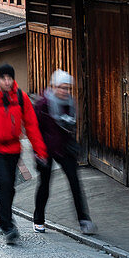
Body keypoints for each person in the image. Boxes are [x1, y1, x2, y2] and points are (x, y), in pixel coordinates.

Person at [0, 63, 47, 244]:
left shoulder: (21, 97)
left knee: (9, 186)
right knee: (4, 182)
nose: (7, 81)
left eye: (10, 78)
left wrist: (40, 151)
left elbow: (32, 125)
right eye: (3, 78)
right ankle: (7, 225)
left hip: (13, 148)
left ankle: (6, 221)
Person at [33, 70, 96, 236]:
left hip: (64, 148)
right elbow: (35, 130)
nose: (65, 91)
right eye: (61, 87)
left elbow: (71, 126)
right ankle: (38, 218)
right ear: (53, 86)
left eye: (68, 88)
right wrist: (38, 153)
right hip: (45, 150)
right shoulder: (43, 104)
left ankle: (84, 219)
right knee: (44, 185)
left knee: (75, 183)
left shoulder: (70, 102)